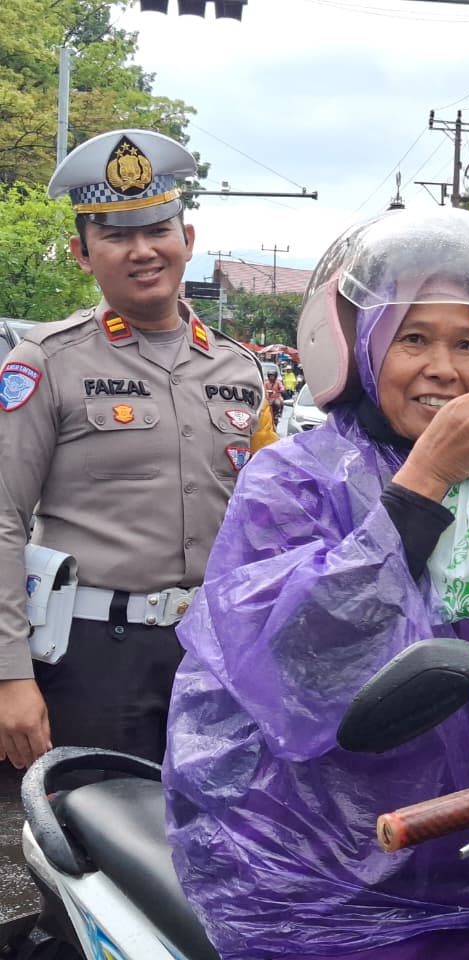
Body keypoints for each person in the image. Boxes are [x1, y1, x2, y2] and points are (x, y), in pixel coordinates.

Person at [162, 205, 469, 960]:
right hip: (320, 891)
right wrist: (425, 481)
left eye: (467, 342)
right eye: (414, 339)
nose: (445, 367)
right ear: (360, 351)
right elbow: (298, 668)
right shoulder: (292, 483)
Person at [0, 129, 263, 770]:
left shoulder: (241, 370)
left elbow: (267, 518)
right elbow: (4, 518)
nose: (142, 251)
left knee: (215, 844)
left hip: (212, 650)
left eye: (157, 230)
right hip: (91, 656)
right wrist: (10, 674)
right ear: (82, 254)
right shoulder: (47, 362)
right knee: (96, 850)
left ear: (188, 240)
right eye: (116, 235)